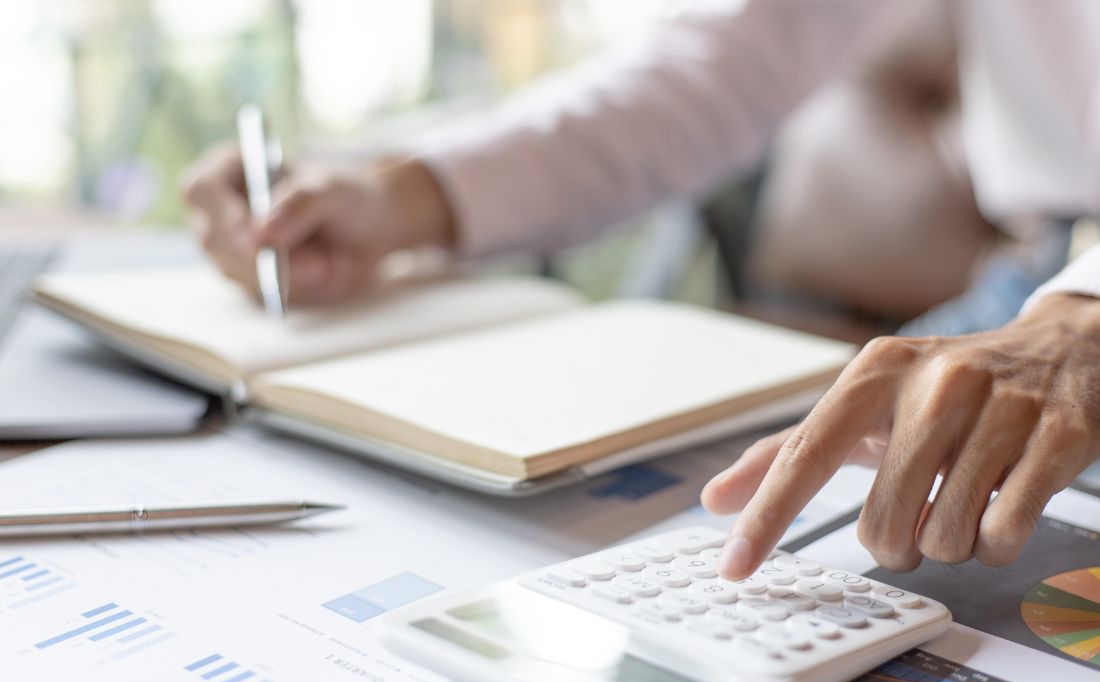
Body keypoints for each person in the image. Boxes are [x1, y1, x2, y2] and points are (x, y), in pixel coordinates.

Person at [183, 0, 1100, 581]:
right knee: (828, 547)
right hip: (1033, 281)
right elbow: (730, 56)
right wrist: (402, 194)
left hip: (1074, 311)